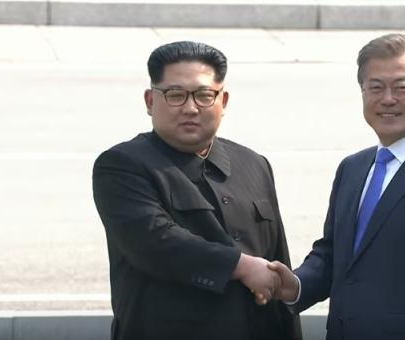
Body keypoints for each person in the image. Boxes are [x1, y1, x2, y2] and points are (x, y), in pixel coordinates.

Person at [268, 33, 405, 340]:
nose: (387, 99)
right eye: (375, 87)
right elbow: (333, 255)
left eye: (401, 87)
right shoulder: (352, 168)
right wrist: (296, 285)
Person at [92, 41, 301, 340]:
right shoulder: (123, 165)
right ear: (151, 101)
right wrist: (240, 266)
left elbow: (277, 262)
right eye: (175, 95)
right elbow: (155, 242)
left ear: (223, 101)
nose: (190, 108)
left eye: (204, 95)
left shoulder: (253, 164)